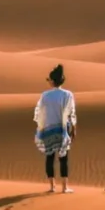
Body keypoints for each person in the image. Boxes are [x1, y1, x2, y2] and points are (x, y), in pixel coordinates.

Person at [33, 64, 77, 193]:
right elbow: (71, 112)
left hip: (48, 129)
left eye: (48, 80)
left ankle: (52, 187)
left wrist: (40, 129)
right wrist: (74, 128)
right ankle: (64, 187)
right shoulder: (67, 95)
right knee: (63, 158)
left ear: (53, 81)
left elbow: (39, 113)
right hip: (62, 129)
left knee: (49, 157)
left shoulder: (45, 95)